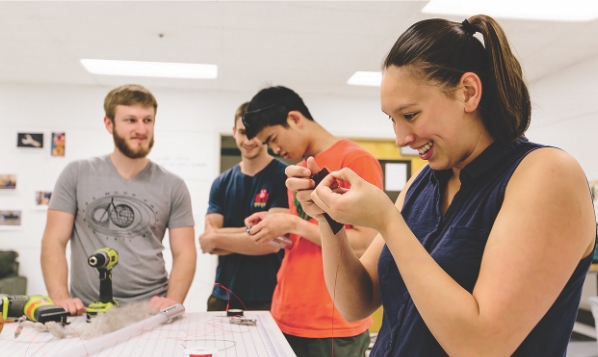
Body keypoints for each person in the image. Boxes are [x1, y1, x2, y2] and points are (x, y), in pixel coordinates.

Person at [286, 15, 597, 357]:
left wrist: (388, 222)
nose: (401, 138)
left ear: (468, 92)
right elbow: (355, 303)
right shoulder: (424, 184)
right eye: (392, 119)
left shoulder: (547, 174)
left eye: (411, 115)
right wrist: (328, 220)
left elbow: (482, 346)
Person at [242, 86, 383, 357]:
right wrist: (279, 223)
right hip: (287, 312)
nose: (274, 150)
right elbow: (309, 230)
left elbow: (367, 243)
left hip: (330, 321)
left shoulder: (354, 159)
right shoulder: (300, 168)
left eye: (272, 138)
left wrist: (294, 225)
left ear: (294, 118)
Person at [41, 84, 197, 316]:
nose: (141, 129)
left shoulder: (173, 185)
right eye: (131, 120)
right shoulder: (77, 173)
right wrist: (61, 298)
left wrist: (173, 300)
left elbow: (185, 252)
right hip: (87, 311)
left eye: (147, 120)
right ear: (109, 124)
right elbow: (54, 241)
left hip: (150, 312)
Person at [199, 101, 289, 311]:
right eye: (242, 132)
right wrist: (254, 233)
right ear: (234, 132)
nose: (249, 140)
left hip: (270, 297)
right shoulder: (221, 183)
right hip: (223, 296)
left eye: (255, 133)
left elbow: (271, 243)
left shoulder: (282, 178)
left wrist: (218, 237)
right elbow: (208, 243)